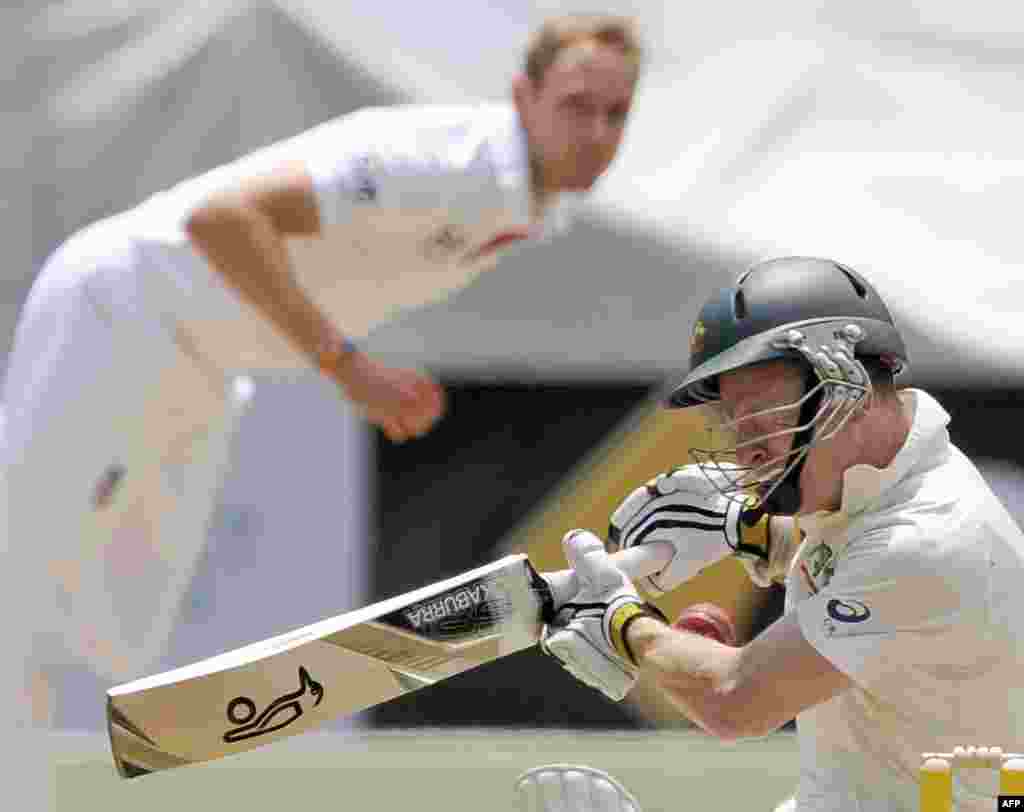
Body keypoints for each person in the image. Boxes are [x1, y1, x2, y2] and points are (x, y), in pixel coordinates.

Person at [1, 13, 642, 808]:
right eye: (577, 106)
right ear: (523, 95)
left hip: (206, 367)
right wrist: (350, 368)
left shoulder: (531, 205)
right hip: (122, 315)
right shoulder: (448, 162)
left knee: (116, 629)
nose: (597, 133)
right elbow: (223, 220)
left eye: (616, 114)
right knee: (25, 592)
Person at [541, 256, 1024, 812]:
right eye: (734, 426)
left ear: (852, 394)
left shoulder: (926, 536)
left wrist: (624, 624)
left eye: (763, 419)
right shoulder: (890, 484)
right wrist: (760, 535)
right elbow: (859, 559)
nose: (745, 453)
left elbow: (735, 701)